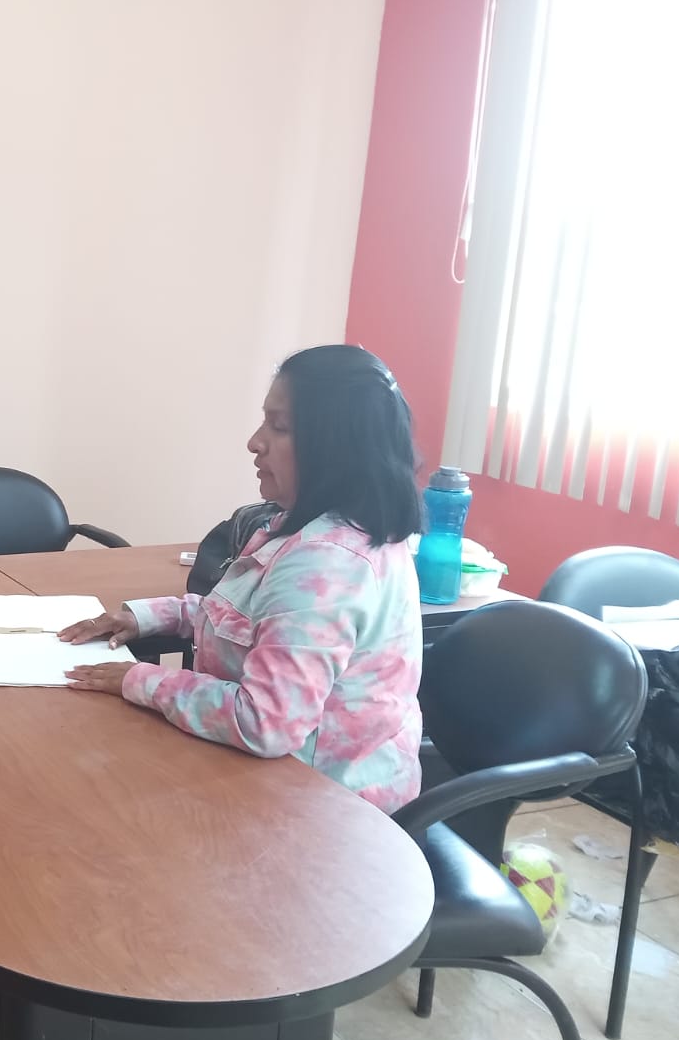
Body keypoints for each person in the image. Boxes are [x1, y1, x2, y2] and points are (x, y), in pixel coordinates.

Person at [60, 344, 425, 812]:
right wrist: (144, 617)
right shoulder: (319, 528)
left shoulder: (328, 562)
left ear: (336, 445)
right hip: (279, 780)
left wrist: (138, 679)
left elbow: (264, 722)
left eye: (280, 427)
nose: (255, 442)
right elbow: (253, 620)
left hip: (326, 811)